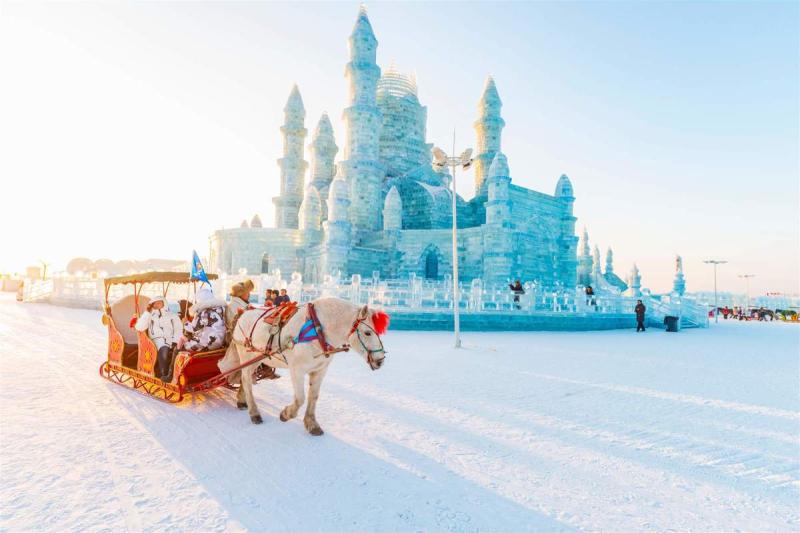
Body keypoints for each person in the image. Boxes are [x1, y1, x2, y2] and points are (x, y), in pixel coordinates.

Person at [134, 295, 182, 380]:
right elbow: (139, 327)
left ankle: (179, 373)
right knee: (164, 348)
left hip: (171, 339)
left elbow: (178, 329)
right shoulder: (150, 316)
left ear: (164, 303)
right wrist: (147, 312)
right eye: (155, 303)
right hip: (156, 340)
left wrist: (175, 341)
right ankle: (164, 373)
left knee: (181, 350)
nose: (157, 305)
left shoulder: (172, 316)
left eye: (160, 303)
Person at [181, 288, 227, 353]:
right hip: (220, 341)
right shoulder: (221, 309)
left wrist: (185, 323)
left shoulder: (204, 312)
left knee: (183, 345)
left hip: (208, 343)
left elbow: (195, 328)